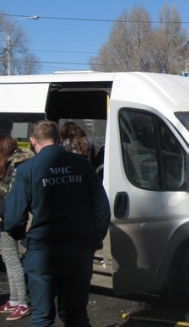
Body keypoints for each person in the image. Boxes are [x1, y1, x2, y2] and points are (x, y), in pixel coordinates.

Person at [4, 120, 111, 327]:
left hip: (43, 251)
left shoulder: (27, 169)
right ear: (59, 139)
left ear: (33, 141)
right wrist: (93, 240)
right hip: (78, 250)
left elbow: (14, 218)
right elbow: (101, 209)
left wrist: (20, 235)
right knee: (76, 315)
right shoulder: (82, 165)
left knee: (42, 317)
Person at [0, 135, 34, 321]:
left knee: (12, 261)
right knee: (8, 259)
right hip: (6, 216)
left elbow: (9, 193)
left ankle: (21, 302)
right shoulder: (16, 164)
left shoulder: (15, 167)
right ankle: (14, 299)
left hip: (7, 218)